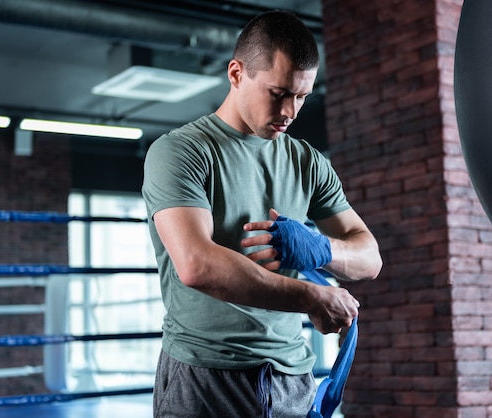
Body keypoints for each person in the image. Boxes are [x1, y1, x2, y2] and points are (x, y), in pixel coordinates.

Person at [142, 9, 382, 418]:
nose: (291, 110)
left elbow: (369, 257)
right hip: (207, 375)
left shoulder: (307, 161)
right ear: (236, 73)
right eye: (278, 92)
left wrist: (321, 249)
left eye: (302, 96)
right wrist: (311, 296)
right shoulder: (182, 152)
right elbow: (197, 265)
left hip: (291, 376)